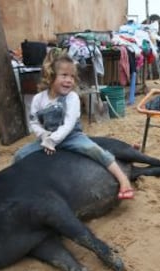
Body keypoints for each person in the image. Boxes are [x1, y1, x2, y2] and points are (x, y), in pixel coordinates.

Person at [14, 48, 135, 199]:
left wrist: (53, 140)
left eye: (72, 76)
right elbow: (34, 122)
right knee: (20, 155)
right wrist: (44, 136)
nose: (69, 80)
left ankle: (123, 179)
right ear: (51, 76)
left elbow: (68, 123)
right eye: (64, 75)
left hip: (71, 137)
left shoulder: (72, 98)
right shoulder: (38, 99)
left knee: (96, 151)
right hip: (47, 139)